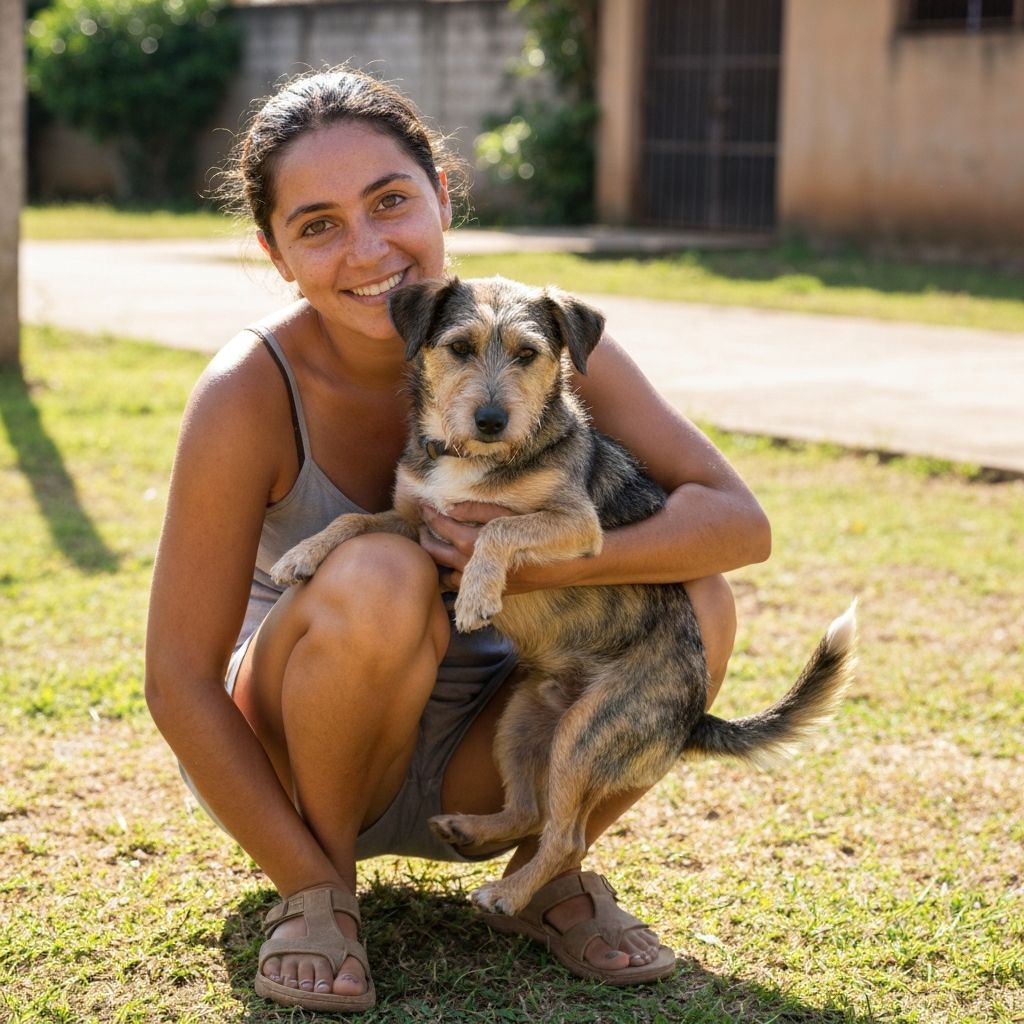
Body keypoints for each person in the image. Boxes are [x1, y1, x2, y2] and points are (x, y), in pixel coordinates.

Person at [145, 66, 771, 1014]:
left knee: (697, 602)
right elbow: (176, 682)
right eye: (316, 225)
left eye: (390, 200)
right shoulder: (248, 390)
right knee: (385, 570)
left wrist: (532, 548)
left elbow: (740, 525)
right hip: (297, 750)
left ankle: (547, 871)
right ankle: (322, 896)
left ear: (442, 191)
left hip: (489, 746)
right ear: (277, 253)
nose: (367, 248)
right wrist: (302, 880)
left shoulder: (538, 348)